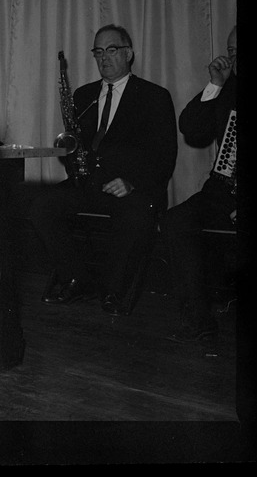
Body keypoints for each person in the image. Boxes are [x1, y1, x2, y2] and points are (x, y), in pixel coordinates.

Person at [29, 24, 178, 315]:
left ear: (129, 53)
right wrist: (70, 157)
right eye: (98, 52)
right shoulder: (83, 95)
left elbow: (165, 155)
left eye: (112, 50)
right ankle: (77, 276)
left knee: (135, 215)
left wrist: (132, 182)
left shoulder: (154, 96)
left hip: (131, 188)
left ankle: (114, 289)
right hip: (88, 184)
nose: (104, 58)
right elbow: (75, 145)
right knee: (40, 206)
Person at [160, 26, 237, 342]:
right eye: (232, 50)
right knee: (175, 220)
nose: (236, 57)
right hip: (221, 189)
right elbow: (190, 127)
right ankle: (198, 315)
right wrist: (215, 85)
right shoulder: (228, 87)